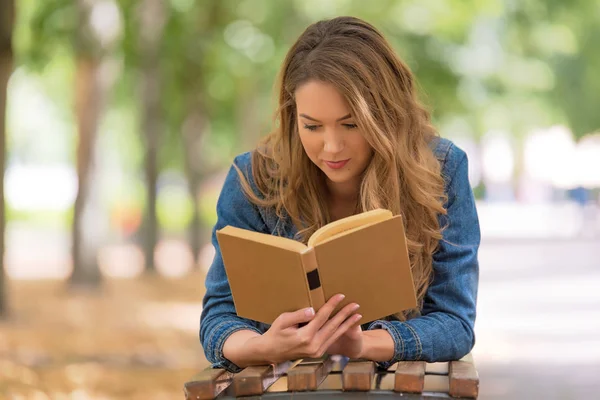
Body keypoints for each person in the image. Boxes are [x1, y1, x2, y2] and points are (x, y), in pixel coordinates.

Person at [199, 16, 480, 373]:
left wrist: (364, 344)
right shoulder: (254, 179)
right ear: (291, 117)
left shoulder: (441, 168)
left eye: (351, 124)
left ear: (387, 115)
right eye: (312, 126)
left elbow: (456, 324)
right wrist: (263, 346)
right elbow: (218, 319)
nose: (331, 147)